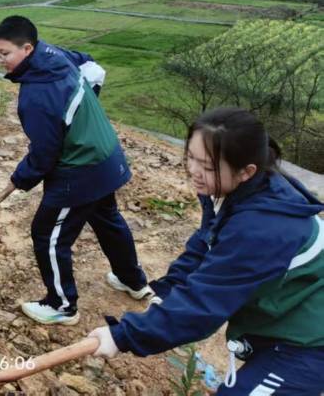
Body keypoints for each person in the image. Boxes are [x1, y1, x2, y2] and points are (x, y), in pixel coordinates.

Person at [89, 107, 324, 395]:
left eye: (208, 166)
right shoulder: (231, 190)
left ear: (246, 171)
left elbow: (204, 306)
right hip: (284, 316)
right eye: (190, 157)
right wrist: (168, 289)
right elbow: (205, 243)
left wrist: (122, 336)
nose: (194, 172)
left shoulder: (261, 228)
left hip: (310, 340)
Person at [0, 15, 150, 326]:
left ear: (27, 48)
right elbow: (89, 63)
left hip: (80, 170)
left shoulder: (36, 97)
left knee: (47, 235)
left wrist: (20, 178)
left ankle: (61, 305)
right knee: (106, 217)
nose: (0, 60)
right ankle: (133, 280)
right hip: (106, 156)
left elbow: (44, 155)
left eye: (5, 53)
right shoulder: (54, 55)